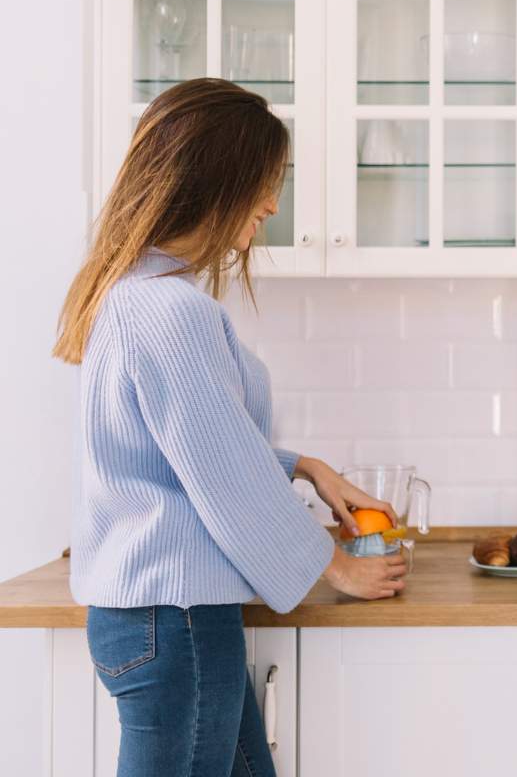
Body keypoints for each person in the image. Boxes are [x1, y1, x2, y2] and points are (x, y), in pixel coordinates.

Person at [56, 79, 408, 777]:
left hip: (162, 621)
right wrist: (336, 567)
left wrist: (304, 465)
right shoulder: (169, 311)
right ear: (217, 183)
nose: (272, 205)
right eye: (266, 183)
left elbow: (181, 446)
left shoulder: (136, 296)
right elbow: (227, 479)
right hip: (177, 620)